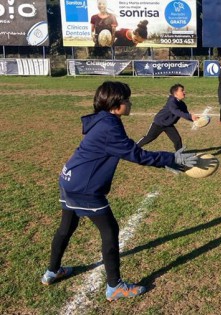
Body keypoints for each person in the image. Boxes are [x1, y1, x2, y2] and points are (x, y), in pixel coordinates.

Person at [41, 81, 198, 301]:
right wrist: (172, 158)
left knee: (66, 227)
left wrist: (165, 162)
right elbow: (137, 155)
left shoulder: (103, 120)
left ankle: (52, 271)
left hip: (68, 178)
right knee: (109, 232)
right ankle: (115, 287)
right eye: (127, 99)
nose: (130, 103)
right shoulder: (109, 126)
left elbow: (126, 150)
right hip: (85, 189)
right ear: (117, 105)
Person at [137, 84, 198, 150]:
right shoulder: (172, 101)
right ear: (175, 93)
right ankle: (134, 148)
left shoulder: (182, 104)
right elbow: (175, 111)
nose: (184, 92)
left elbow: (185, 114)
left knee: (177, 140)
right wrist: (190, 116)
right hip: (159, 123)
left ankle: (179, 154)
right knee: (149, 138)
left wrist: (196, 120)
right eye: (182, 90)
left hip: (169, 125)